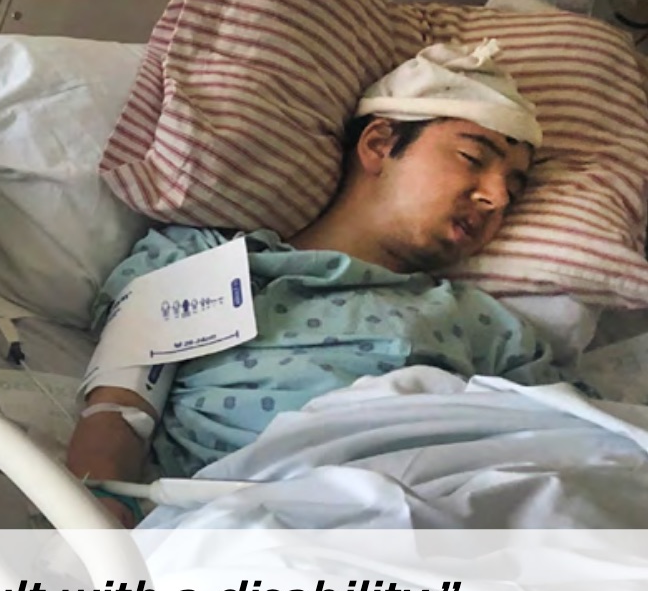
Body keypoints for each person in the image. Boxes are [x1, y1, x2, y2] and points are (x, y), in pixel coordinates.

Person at [65, 40, 569, 524]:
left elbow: (570, 457)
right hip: (255, 533)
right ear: (379, 144)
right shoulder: (206, 260)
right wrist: (93, 535)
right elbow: (118, 411)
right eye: (473, 159)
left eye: (514, 188)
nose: (497, 199)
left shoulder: (490, 327)